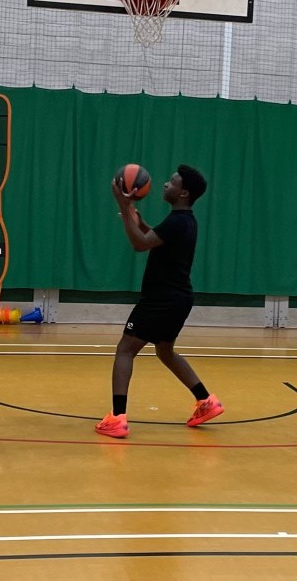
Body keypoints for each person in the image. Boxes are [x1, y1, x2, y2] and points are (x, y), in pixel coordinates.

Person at [96, 165, 222, 438]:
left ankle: (117, 418)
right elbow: (154, 237)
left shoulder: (178, 221)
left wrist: (123, 205)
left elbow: (140, 244)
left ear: (184, 193)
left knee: (125, 350)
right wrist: (139, 221)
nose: (165, 184)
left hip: (161, 299)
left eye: (172, 182)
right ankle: (206, 401)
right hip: (179, 298)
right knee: (165, 352)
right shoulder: (185, 220)